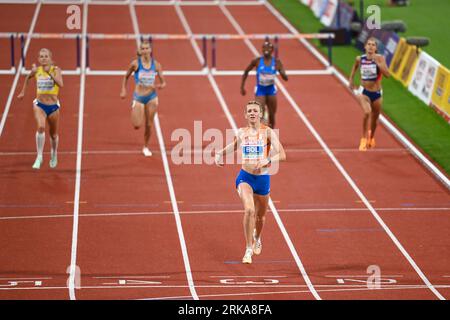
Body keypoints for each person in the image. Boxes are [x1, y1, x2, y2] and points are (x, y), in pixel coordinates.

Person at [214, 100, 286, 264]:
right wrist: (220, 153)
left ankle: (257, 237)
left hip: (262, 179)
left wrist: (267, 160)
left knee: (260, 217)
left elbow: (282, 154)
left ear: (260, 114)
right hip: (245, 177)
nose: (252, 113)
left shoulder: (268, 133)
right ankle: (248, 249)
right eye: (249, 111)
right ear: (246, 115)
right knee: (249, 211)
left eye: (255, 110)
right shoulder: (241, 132)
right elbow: (234, 145)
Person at [17, 48, 63, 169]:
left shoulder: (56, 70)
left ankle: (54, 153)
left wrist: (50, 74)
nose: (43, 58)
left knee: (53, 135)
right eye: (41, 56)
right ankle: (39, 156)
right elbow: (27, 78)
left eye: (46, 56)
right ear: (38, 59)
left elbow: (61, 84)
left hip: (53, 106)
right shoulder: (36, 70)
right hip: (39, 105)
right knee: (41, 127)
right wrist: (22, 92)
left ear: (50, 58)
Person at [120, 40, 166, 156]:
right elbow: (126, 77)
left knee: (149, 124)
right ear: (140, 51)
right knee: (137, 125)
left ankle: (145, 146)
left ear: (150, 50)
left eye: (147, 48)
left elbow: (163, 82)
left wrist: (159, 86)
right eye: (143, 49)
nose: (145, 50)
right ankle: (134, 106)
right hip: (139, 96)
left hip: (152, 97)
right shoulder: (135, 64)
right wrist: (123, 90)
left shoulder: (156, 65)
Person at [349, 37, 390, 151]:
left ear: (376, 48)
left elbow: (387, 75)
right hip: (364, 92)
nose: (371, 46)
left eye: (373, 45)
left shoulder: (380, 58)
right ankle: (363, 139)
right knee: (367, 112)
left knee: (375, 119)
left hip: (377, 93)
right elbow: (355, 67)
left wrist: (379, 65)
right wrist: (351, 79)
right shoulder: (359, 59)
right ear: (365, 46)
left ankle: (371, 137)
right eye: (369, 44)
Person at [240, 41, 288, 128]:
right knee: (259, 114)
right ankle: (261, 136)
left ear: (272, 50)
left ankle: (271, 135)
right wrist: (242, 87)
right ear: (262, 49)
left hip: (271, 91)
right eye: (264, 48)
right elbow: (246, 71)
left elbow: (286, 78)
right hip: (260, 90)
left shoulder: (277, 62)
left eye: (268, 48)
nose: (266, 50)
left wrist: (282, 72)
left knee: (272, 115)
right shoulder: (257, 61)